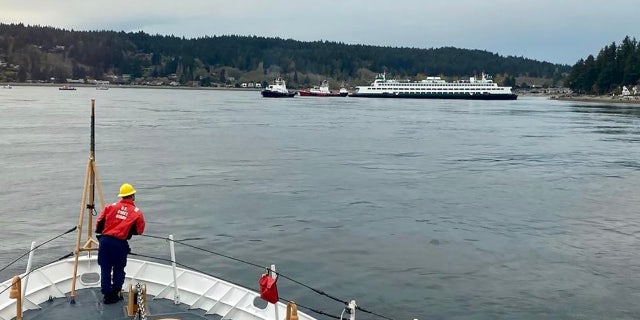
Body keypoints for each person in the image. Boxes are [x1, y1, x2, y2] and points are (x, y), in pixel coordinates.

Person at [95, 183, 146, 304]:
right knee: (118, 269)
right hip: (119, 243)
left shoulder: (110, 207)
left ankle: (107, 295)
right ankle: (116, 293)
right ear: (132, 196)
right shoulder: (136, 212)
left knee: (105, 268)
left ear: (122, 196)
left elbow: (99, 223)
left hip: (105, 241)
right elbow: (140, 230)